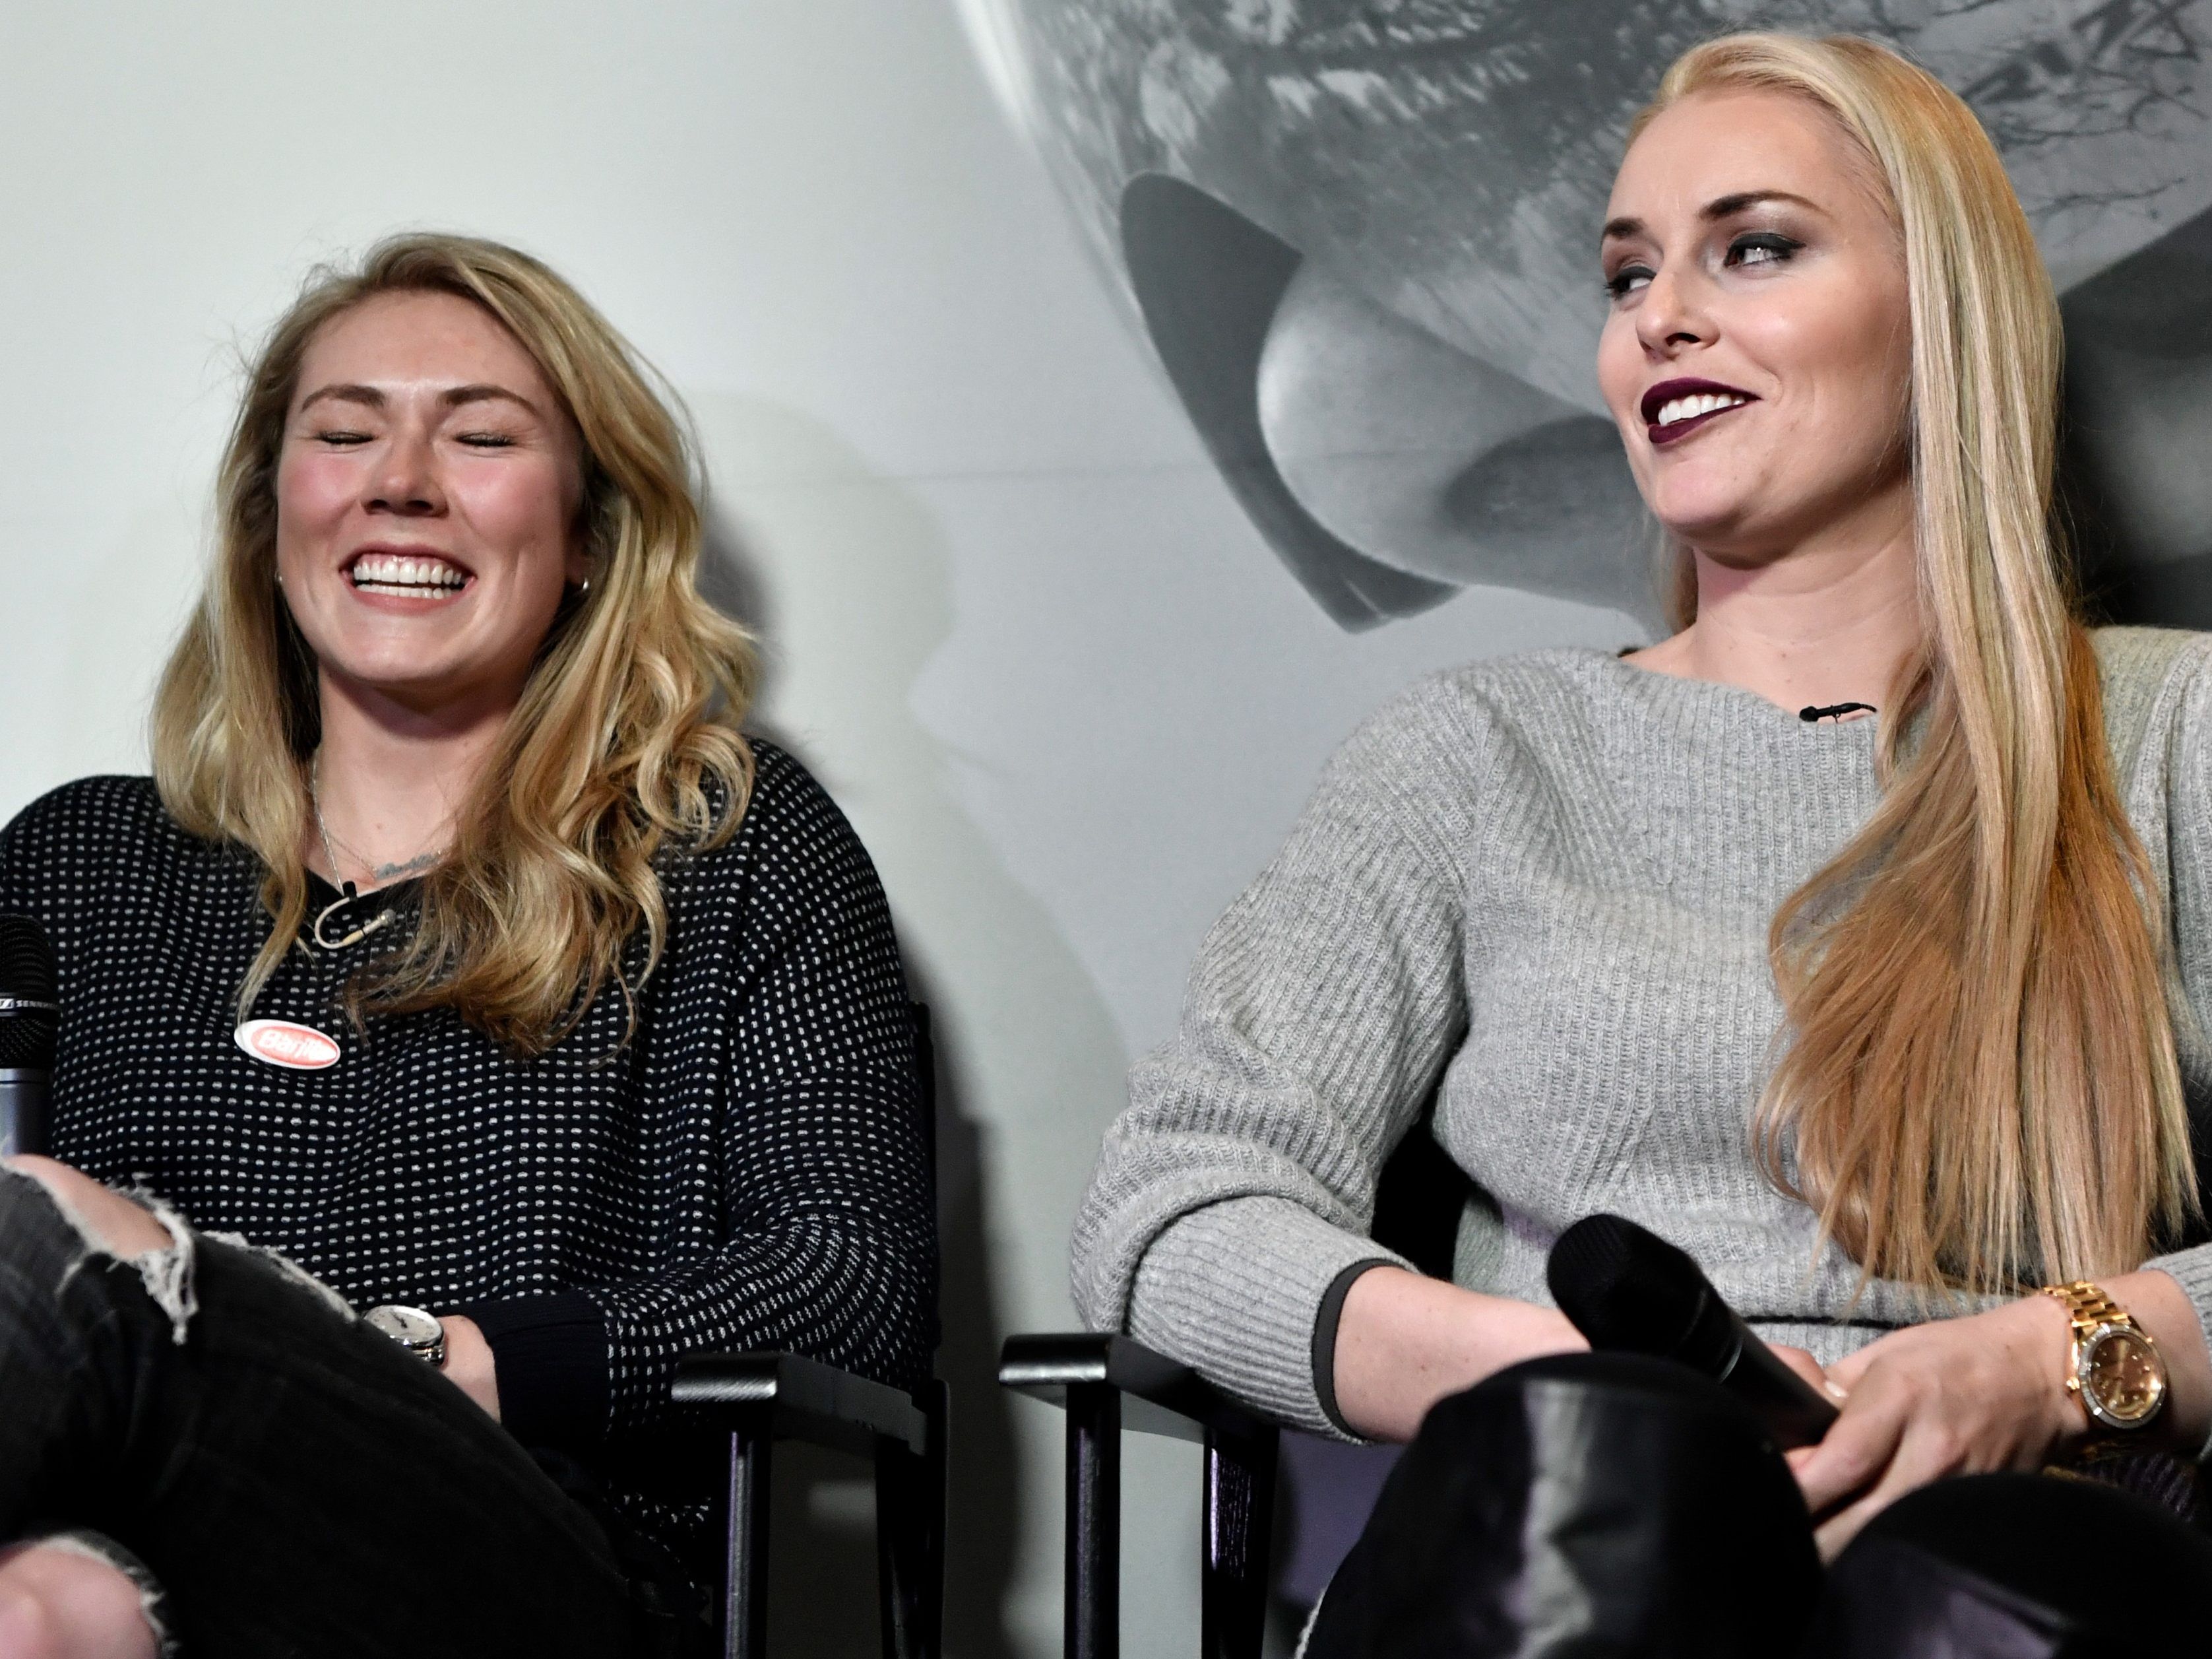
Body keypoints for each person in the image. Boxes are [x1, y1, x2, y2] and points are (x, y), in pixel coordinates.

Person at [1071, 28, 2212, 1576]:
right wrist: (1551, 1380)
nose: (1660, 318)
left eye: (1753, 249)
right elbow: (1172, 1210)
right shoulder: (1477, 758)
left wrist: (2047, 1363)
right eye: (1625, 278)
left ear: (1944, 308)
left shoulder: (2172, 733)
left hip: (2018, 1565)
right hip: (1582, 1546)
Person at [0, 234, 935, 1658]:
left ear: (587, 542)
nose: (402, 483)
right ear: (270, 520)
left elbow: (849, 1275)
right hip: (102, 1544)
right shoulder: (84, 862)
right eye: (344, 433)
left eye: (482, 437)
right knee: (37, 1613)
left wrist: (443, 1363)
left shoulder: (728, 850)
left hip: (535, 1566)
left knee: (79, 1259)